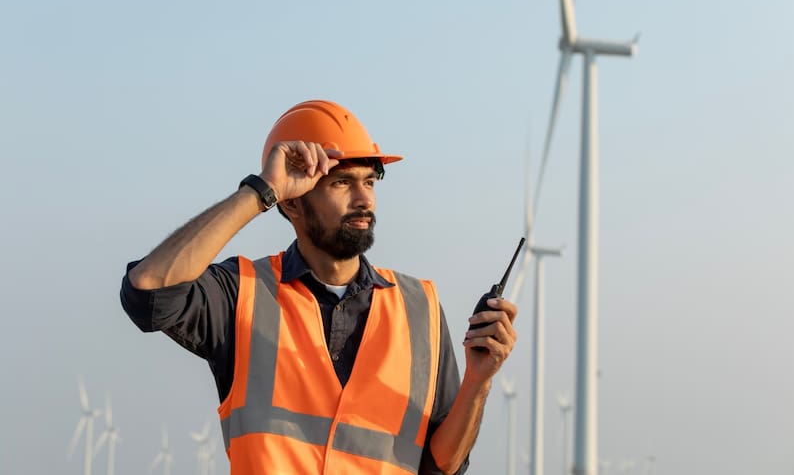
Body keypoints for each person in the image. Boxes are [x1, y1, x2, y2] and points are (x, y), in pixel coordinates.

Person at [120, 100, 517, 475]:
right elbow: (148, 290)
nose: (364, 200)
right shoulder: (241, 293)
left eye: (370, 182)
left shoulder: (420, 308)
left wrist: (478, 381)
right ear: (291, 202)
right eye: (342, 182)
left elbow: (441, 464)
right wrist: (259, 192)